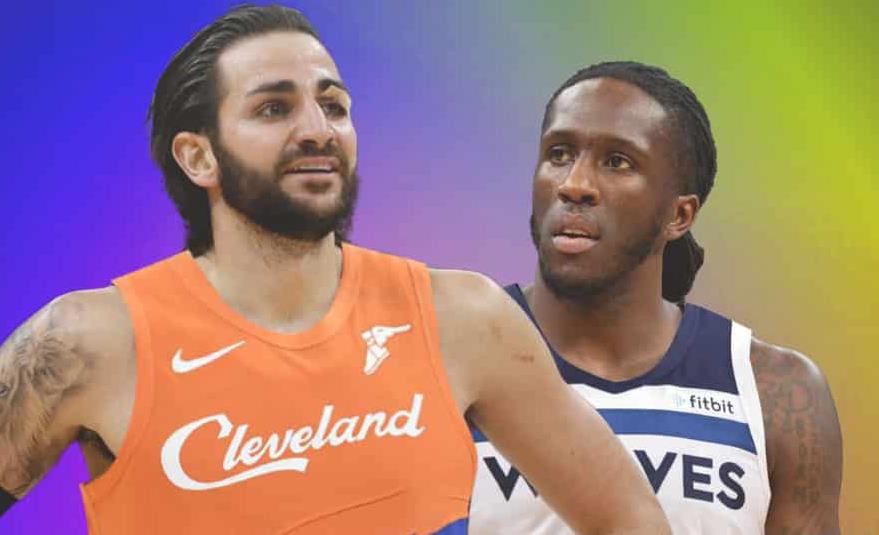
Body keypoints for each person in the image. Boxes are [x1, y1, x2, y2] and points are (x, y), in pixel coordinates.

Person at [0, 7, 670, 535]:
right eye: (274, 108)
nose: (318, 129)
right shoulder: (89, 343)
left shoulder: (462, 318)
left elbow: (630, 520)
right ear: (198, 157)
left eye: (334, 105)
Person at [469, 61, 843, 534]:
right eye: (559, 154)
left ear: (679, 216)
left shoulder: (775, 392)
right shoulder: (449, 361)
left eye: (617, 162)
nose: (574, 184)